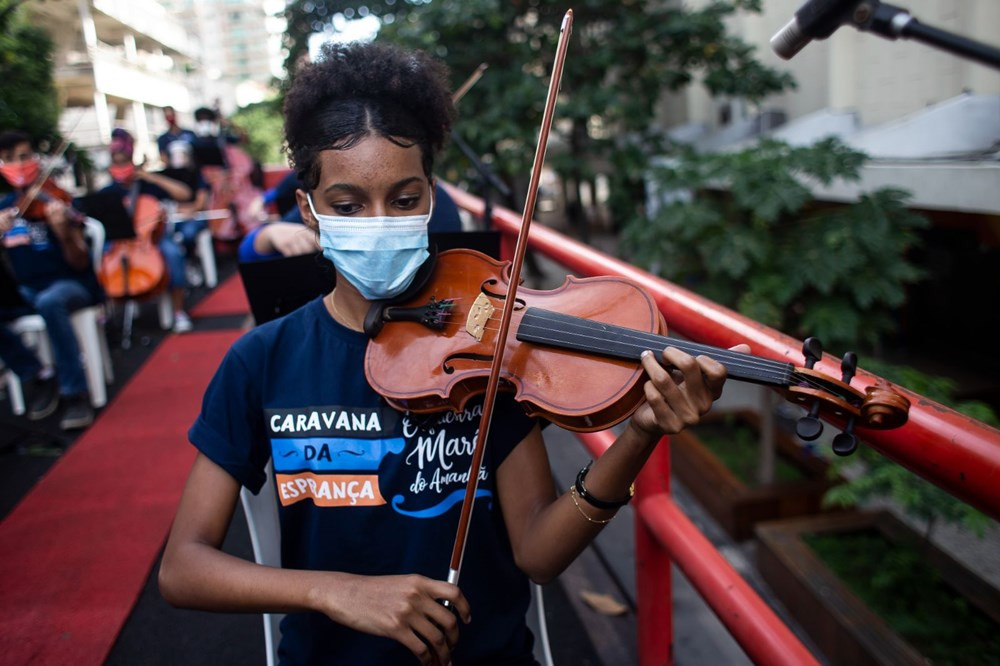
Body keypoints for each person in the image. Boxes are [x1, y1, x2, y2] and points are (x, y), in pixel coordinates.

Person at [158, 42, 745, 665]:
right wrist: (333, 591)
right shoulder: (261, 361)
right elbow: (182, 568)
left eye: (405, 200)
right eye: (349, 206)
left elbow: (539, 555)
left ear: (431, 197)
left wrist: (640, 432)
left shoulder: (486, 344)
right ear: (310, 210)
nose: (381, 221)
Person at [0, 130, 103, 429]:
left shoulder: (57, 199)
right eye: (8, 159)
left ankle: (75, 393)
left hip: (69, 285)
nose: (18, 165)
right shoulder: (6, 207)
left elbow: (81, 261)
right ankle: (36, 372)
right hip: (24, 291)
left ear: (35, 158)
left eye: (23, 157)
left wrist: (63, 232)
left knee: (51, 300)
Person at [101, 128, 195, 333]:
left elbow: (185, 194)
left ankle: (178, 311)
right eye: (116, 162)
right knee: (101, 258)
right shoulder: (109, 191)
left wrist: (151, 177)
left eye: (124, 161)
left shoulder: (147, 184)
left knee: (172, 253)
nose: (120, 166)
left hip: (153, 239)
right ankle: (106, 314)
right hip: (120, 242)